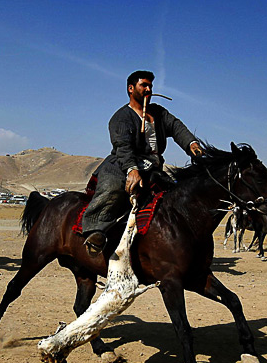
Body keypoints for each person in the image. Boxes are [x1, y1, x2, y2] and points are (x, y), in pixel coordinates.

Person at [80, 70, 203, 255]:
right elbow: (123, 146)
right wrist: (131, 169)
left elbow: (177, 127)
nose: (148, 89)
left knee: (174, 194)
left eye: (150, 86)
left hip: (153, 166)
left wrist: (192, 144)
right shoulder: (121, 117)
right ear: (131, 89)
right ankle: (94, 230)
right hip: (123, 163)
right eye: (144, 85)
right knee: (112, 186)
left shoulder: (159, 113)